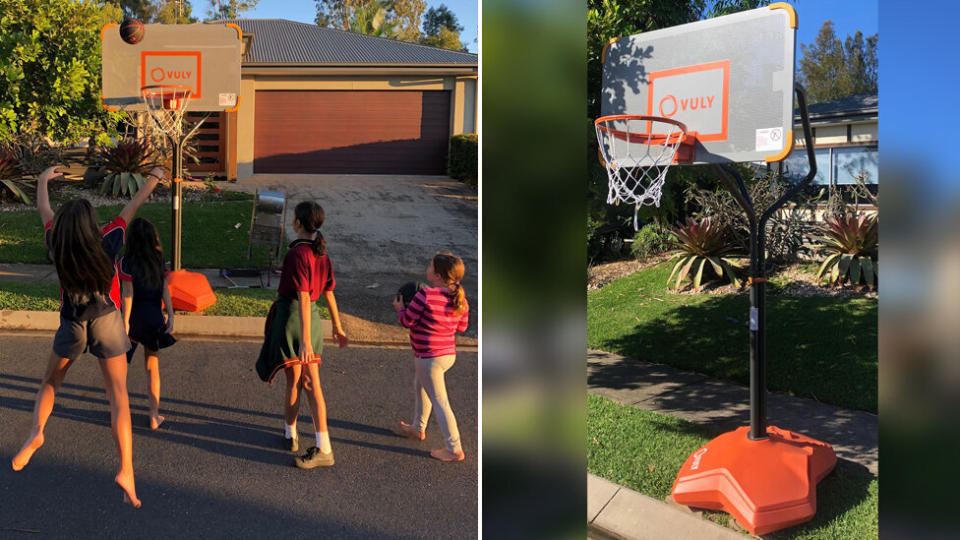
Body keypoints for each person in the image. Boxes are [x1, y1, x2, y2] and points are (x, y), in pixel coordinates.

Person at [11, 165, 165, 508]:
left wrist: (42, 180)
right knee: (118, 397)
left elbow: (44, 210)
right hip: (107, 321)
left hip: (72, 323)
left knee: (50, 382)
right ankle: (126, 469)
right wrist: (154, 177)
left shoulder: (56, 238)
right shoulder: (109, 237)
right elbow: (135, 204)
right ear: (92, 222)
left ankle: (37, 431)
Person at [255, 201, 348, 469]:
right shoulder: (321, 254)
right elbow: (328, 292)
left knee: (297, 382)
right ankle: (297, 435)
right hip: (312, 321)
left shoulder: (297, 255)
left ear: (297, 223)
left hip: (295, 320)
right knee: (307, 383)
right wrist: (337, 326)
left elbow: (304, 296)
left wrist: (306, 339)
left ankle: (305, 439)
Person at [392, 251, 470, 462]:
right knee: (420, 387)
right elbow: (462, 327)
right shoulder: (460, 299)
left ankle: (454, 448)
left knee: (440, 401)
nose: (427, 268)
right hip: (447, 355)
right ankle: (418, 428)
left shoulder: (424, 296)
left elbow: (407, 321)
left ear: (438, 275)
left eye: (430, 266)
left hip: (428, 358)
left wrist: (400, 309)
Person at [119, 217, 176, 430]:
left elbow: (128, 293)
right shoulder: (158, 259)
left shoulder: (126, 262)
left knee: (120, 370)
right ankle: (154, 415)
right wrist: (170, 314)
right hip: (153, 319)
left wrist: (124, 324)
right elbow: (164, 288)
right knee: (152, 367)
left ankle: (120, 411)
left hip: (133, 321)